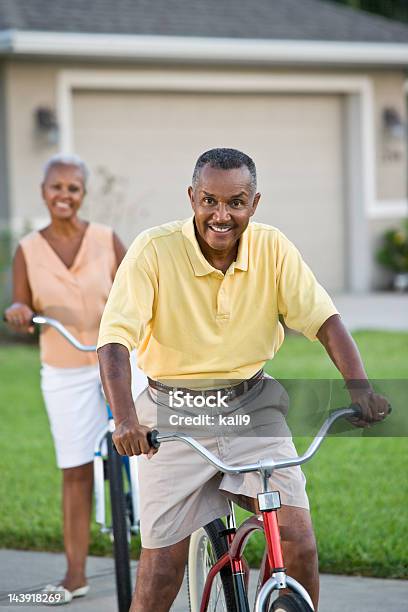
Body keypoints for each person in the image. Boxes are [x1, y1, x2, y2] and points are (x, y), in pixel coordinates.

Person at [97, 148, 390, 612]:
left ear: (254, 204)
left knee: (298, 541)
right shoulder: (153, 251)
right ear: (191, 197)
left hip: (251, 404)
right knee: (161, 570)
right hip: (173, 412)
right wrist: (126, 420)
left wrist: (361, 388)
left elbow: (324, 321)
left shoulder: (272, 247)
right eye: (209, 200)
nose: (221, 215)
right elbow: (113, 342)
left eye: (236, 202)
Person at [4, 153, 136, 603]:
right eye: (56, 187)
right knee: (75, 469)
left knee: (151, 455)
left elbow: (135, 292)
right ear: (43, 192)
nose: (64, 195)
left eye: (73, 187)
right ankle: (75, 574)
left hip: (116, 360)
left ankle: (160, 552)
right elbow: (20, 303)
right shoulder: (27, 249)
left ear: (83, 193)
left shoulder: (106, 239)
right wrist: (19, 312)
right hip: (64, 368)